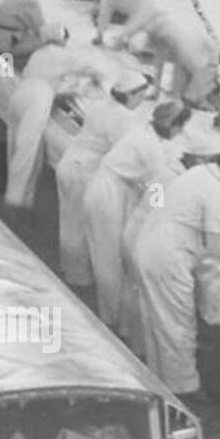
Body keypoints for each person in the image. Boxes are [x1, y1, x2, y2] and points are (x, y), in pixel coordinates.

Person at [133, 143, 220, 397]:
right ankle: (184, 389)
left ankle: (160, 377)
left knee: (158, 319)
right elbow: (216, 249)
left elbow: (191, 211)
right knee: (178, 326)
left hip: (150, 243)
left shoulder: (200, 172)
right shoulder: (217, 191)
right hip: (167, 257)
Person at [83, 99, 190, 338]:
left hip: (115, 190)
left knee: (109, 256)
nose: (181, 132)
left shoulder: (146, 133)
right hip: (107, 194)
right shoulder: (148, 145)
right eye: (180, 127)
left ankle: (114, 315)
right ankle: (112, 321)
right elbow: (159, 186)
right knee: (108, 258)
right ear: (172, 126)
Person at [55, 69, 150, 287]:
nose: (141, 102)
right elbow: (126, 155)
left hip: (69, 163)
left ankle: (69, 268)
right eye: (141, 97)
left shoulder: (101, 105)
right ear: (132, 95)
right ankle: (77, 279)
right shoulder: (124, 118)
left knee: (69, 220)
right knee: (79, 226)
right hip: (83, 173)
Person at [3, 27, 107, 211]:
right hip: (38, 98)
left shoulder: (38, 54)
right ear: (61, 40)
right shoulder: (61, 54)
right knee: (28, 148)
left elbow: (41, 77)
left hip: (20, 93)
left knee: (15, 143)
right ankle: (15, 200)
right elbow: (90, 68)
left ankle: (22, 196)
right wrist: (100, 80)